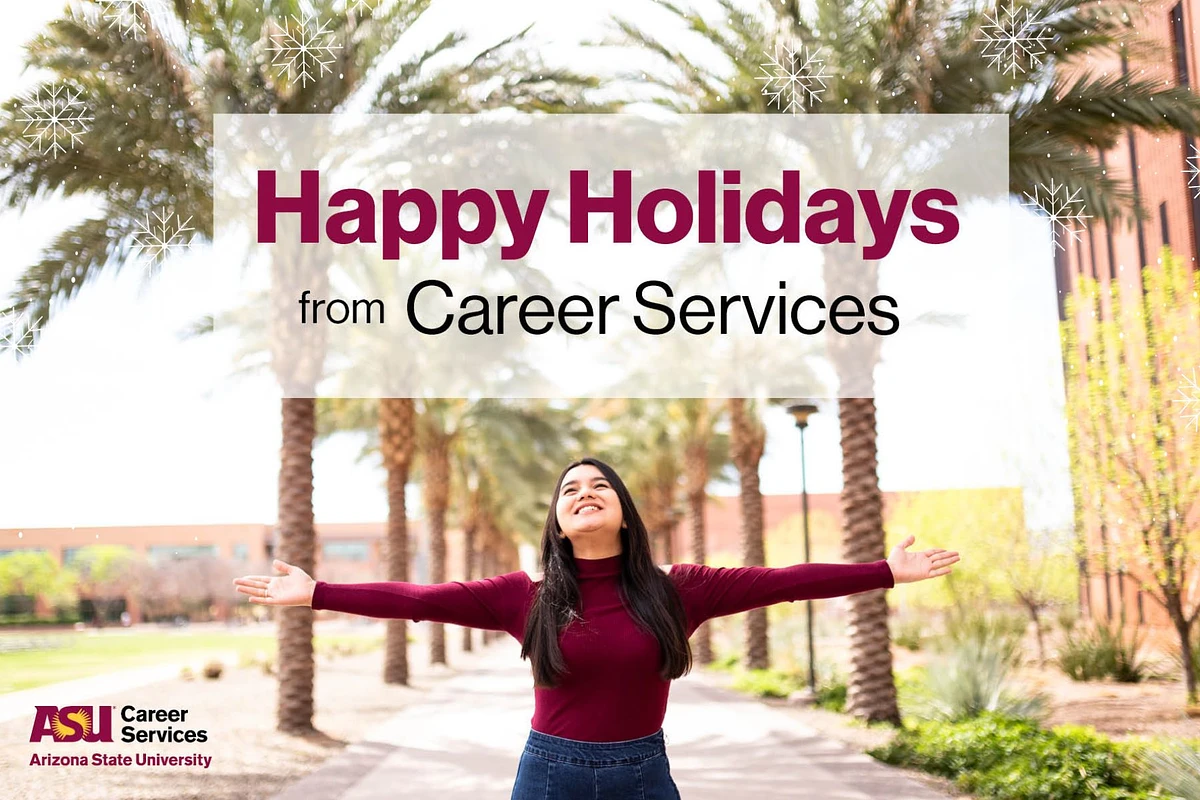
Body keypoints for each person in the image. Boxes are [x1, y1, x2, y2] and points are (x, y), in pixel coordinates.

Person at [234, 457, 960, 799]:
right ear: (555, 519)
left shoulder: (679, 591)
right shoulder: (524, 595)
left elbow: (782, 583)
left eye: (600, 486)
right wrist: (317, 592)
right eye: (570, 490)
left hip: (645, 775)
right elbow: (419, 597)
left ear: (622, 511)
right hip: (548, 775)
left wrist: (886, 572)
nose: (585, 495)